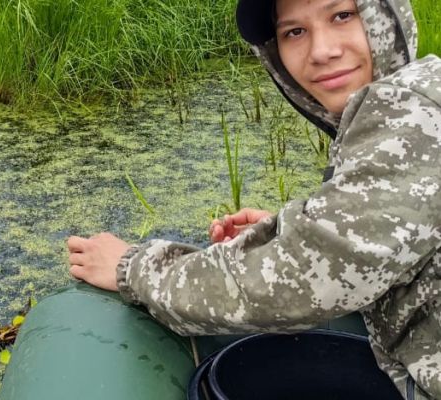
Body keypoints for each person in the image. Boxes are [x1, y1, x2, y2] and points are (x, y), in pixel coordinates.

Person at [66, 0, 441, 397]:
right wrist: (285, 231)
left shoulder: (412, 114)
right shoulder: (416, 95)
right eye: (294, 32)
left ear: (384, 15)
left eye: (342, 15)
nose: (321, 51)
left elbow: (299, 279)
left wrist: (133, 269)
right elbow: (370, 237)